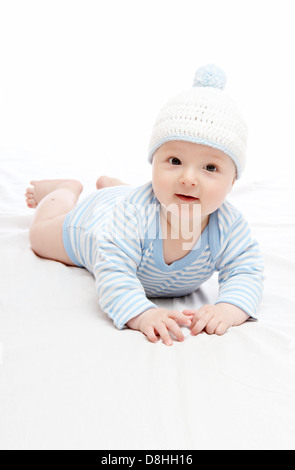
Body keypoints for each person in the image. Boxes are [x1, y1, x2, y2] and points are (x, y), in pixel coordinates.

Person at [25, 64, 264, 346]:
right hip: (95, 221)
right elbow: (114, 273)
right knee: (39, 237)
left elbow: (246, 271)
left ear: (233, 180)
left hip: (130, 197)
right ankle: (65, 190)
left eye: (210, 167)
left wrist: (228, 309)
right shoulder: (130, 216)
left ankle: (115, 185)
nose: (188, 179)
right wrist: (142, 313)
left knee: (140, 195)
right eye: (174, 161)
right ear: (154, 163)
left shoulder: (228, 225)